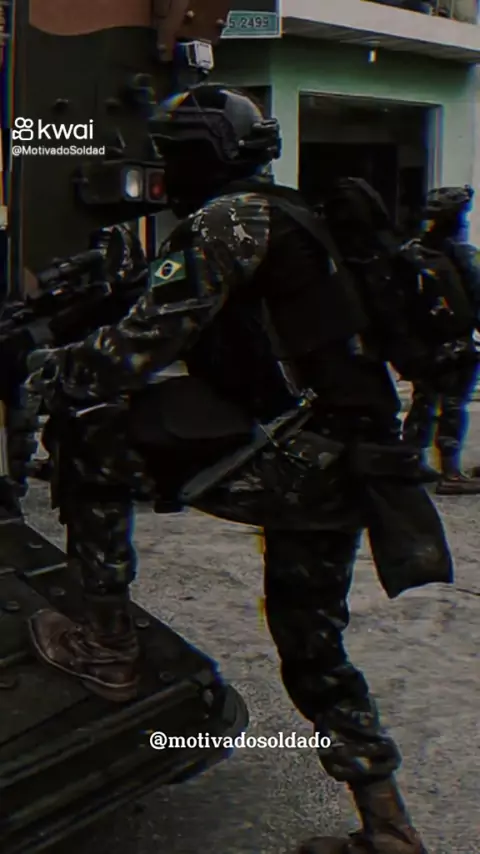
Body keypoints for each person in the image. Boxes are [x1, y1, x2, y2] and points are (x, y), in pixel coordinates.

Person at [22, 85, 455, 854]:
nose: (164, 172)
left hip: (295, 458)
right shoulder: (294, 215)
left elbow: (140, 347)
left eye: (172, 156)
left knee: (90, 432)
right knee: (312, 647)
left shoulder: (227, 220)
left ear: (205, 155)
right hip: (353, 459)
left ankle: (109, 646)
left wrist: (45, 373)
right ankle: (388, 826)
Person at [402, 185, 480, 494]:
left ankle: (410, 461)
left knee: (423, 399)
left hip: (423, 343)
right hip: (455, 343)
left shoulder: (409, 252)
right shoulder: (462, 253)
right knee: (452, 404)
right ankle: (450, 472)